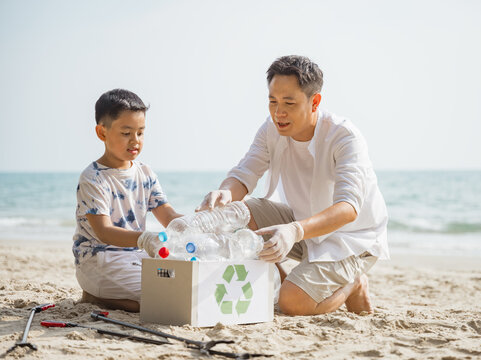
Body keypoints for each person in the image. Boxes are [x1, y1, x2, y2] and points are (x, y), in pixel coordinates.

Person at [197, 55, 389, 316]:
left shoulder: (344, 136)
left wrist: (294, 231)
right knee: (238, 212)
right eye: (272, 102)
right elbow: (245, 173)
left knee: (291, 303)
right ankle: (284, 281)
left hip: (352, 238)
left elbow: (348, 208)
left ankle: (354, 283)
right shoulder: (271, 129)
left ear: (315, 102)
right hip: (300, 225)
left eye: (289, 102)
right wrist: (225, 193)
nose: (279, 113)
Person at [73, 89, 182, 312]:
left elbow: (167, 215)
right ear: (102, 133)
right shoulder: (93, 178)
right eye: (126, 133)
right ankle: (95, 295)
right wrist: (144, 239)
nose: (135, 141)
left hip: (137, 258)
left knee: (178, 282)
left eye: (141, 133)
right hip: (100, 261)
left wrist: (196, 224)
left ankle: (109, 295)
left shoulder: (145, 172)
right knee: (159, 299)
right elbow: (104, 231)